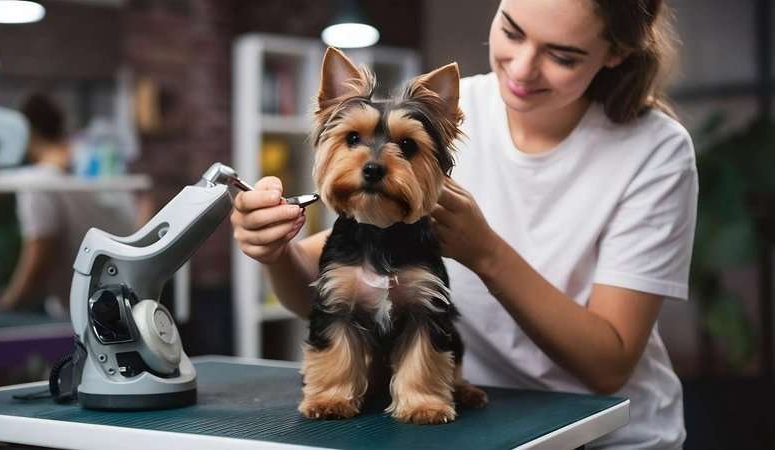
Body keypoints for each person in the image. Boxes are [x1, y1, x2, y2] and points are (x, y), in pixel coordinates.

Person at [231, 0, 697, 448]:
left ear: (616, 52)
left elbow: (608, 367)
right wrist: (275, 250)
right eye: (512, 30)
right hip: (470, 426)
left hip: (609, 433)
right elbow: (323, 291)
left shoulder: (655, 150)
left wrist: (485, 252)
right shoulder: (450, 104)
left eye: (562, 55)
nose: (521, 68)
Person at [0, 94, 136, 317]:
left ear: (25, 133)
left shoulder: (38, 181)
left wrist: (6, 303)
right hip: (128, 297)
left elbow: (39, 252)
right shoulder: (93, 163)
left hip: (90, 311)